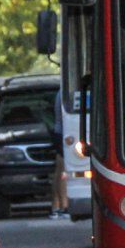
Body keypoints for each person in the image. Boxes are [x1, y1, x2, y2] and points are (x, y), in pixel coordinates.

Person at [49, 91, 69, 219]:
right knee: (63, 171)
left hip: (59, 132)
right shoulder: (65, 91)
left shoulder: (60, 92)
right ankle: (64, 206)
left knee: (59, 171)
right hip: (63, 133)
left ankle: (56, 206)